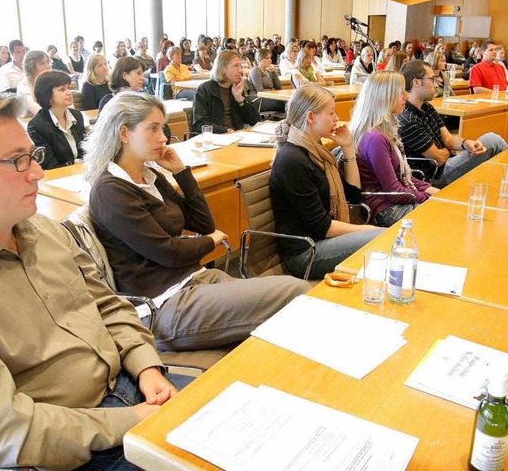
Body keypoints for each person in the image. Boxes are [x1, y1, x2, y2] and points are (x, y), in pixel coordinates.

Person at [0, 91, 191, 470]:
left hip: (128, 389)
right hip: (65, 448)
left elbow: (105, 304)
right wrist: (132, 421)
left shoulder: (41, 230)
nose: (37, 172)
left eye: (33, 155)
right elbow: (2, 433)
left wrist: (146, 367)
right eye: (16, 161)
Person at [85, 92, 311, 352]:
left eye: (162, 128)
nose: (163, 137)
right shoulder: (110, 190)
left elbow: (203, 223)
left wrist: (181, 172)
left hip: (196, 280)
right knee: (296, 293)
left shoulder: (150, 176)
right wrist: (210, 242)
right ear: (124, 133)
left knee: (282, 322)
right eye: (153, 128)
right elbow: (168, 253)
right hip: (164, 304)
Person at [270, 85, 384, 279]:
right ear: (311, 117)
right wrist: (367, 229)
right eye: (331, 113)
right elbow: (322, 227)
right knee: (382, 238)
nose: (336, 118)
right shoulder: (292, 160)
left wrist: (348, 147)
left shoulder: (318, 152)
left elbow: (354, 195)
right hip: (305, 253)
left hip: (321, 241)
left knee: (382, 237)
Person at [350, 71, 439, 227]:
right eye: (400, 92)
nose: (406, 95)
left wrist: (430, 189)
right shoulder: (375, 138)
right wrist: (427, 196)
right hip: (385, 209)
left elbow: (404, 177)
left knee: (446, 206)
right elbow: (394, 192)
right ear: (384, 97)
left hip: (394, 200)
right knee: (443, 217)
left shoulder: (384, 129)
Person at [398, 59, 507, 188]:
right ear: (416, 82)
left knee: (490, 140)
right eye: (432, 79)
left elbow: (448, 139)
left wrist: (466, 143)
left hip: (447, 163)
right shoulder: (408, 119)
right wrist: (448, 149)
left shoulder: (427, 107)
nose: (437, 84)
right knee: (493, 141)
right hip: (435, 177)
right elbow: (438, 159)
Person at [27, 71, 85, 169]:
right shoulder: (37, 126)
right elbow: (49, 165)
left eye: (68, 88)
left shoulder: (77, 115)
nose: (69, 93)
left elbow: (85, 150)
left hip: (82, 171)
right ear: (47, 95)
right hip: (59, 177)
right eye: (62, 89)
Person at [193, 50, 260, 133]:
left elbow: (255, 121)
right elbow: (200, 124)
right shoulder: (205, 89)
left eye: (240, 66)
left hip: (237, 135)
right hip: (216, 138)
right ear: (223, 69)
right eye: (236, 66)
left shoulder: (236, 88)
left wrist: (240, 99)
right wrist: (225, 130)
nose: (240, 70)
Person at [16, 50, 52, 118]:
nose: (48, 66)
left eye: (48, 62)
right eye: (42, 64)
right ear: (31, 68)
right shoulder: (23, 87)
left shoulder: (51, 82)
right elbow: (38, 110)